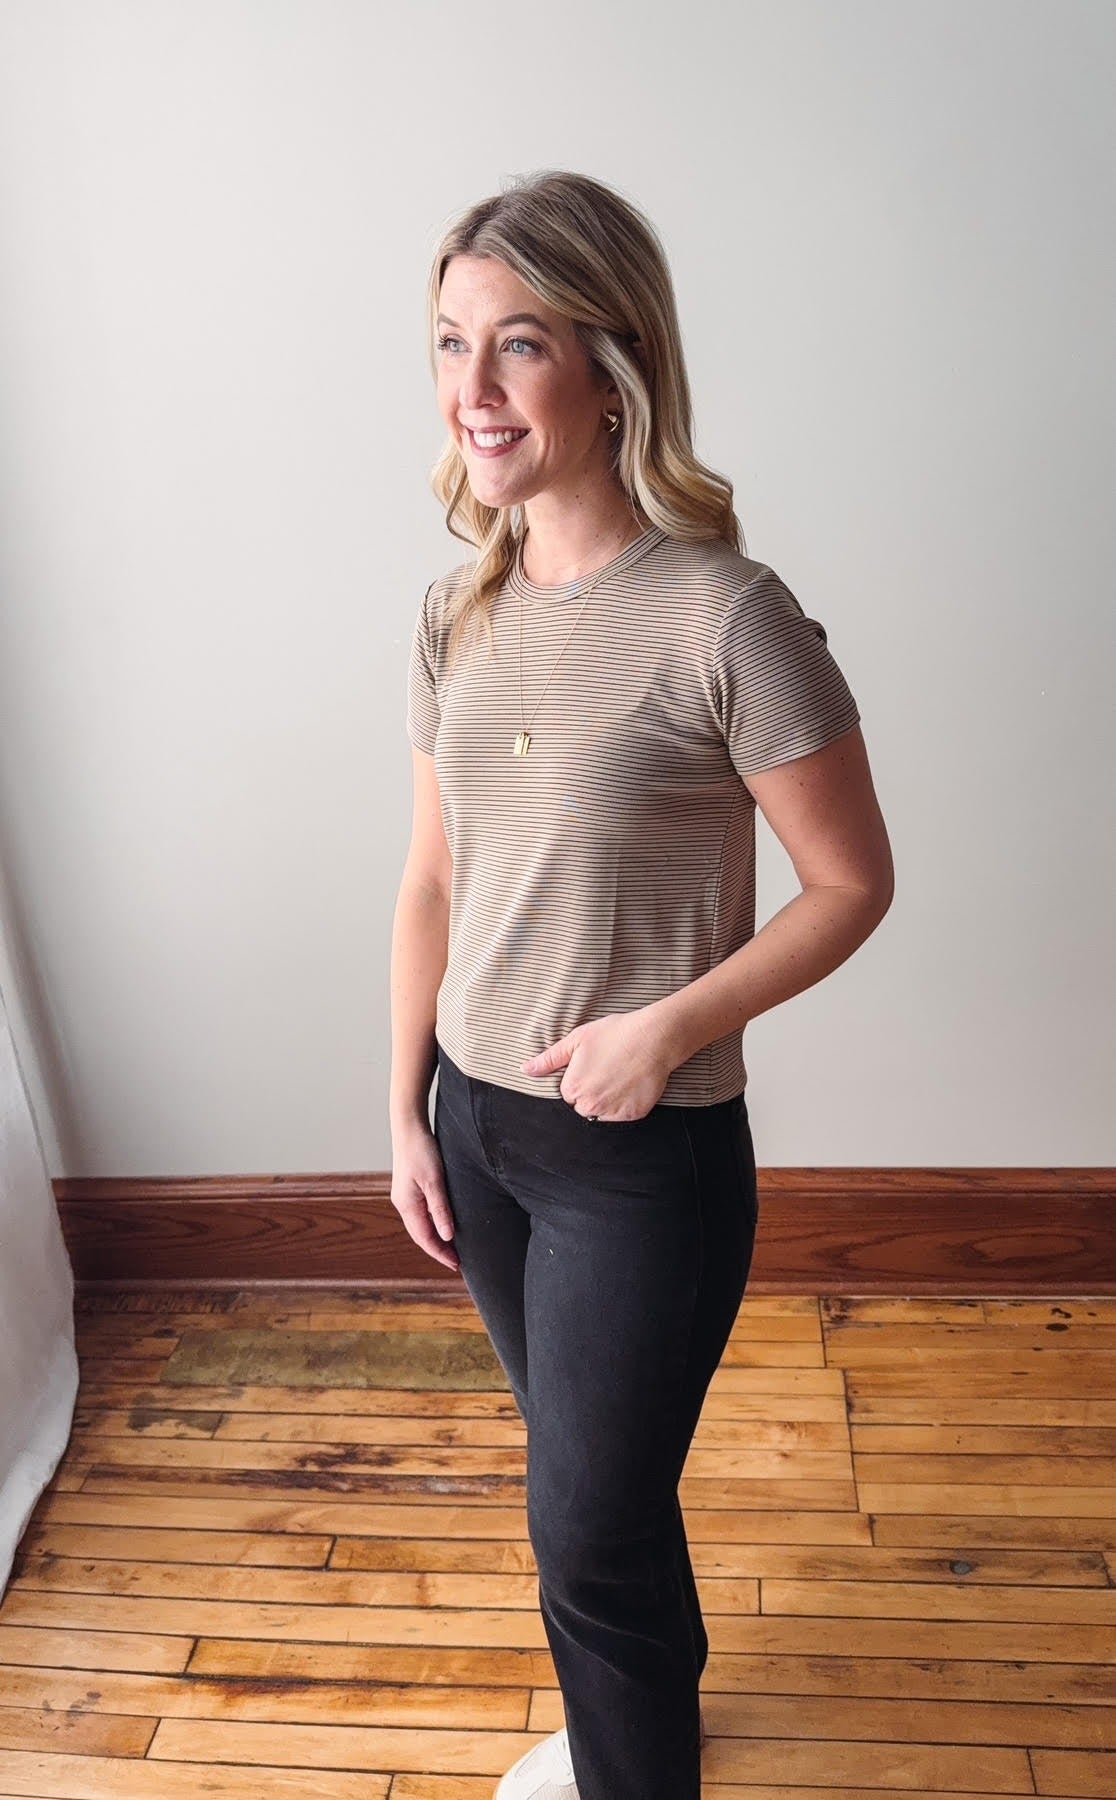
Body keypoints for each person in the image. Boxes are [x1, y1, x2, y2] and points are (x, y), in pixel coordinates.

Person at [389, 170, 894, 1800]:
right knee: (591, 1499)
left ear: (612, 367)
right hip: (480, 1134)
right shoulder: (452, 611)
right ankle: (640, 1742)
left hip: (637, 1155)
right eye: (450, 342)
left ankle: (629, 1778)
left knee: (585, 1518)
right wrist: (404, 1105)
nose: (472, 391)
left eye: (516, 345)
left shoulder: (726, 618)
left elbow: (853, 885)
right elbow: (433, 883)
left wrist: (671, 1027)